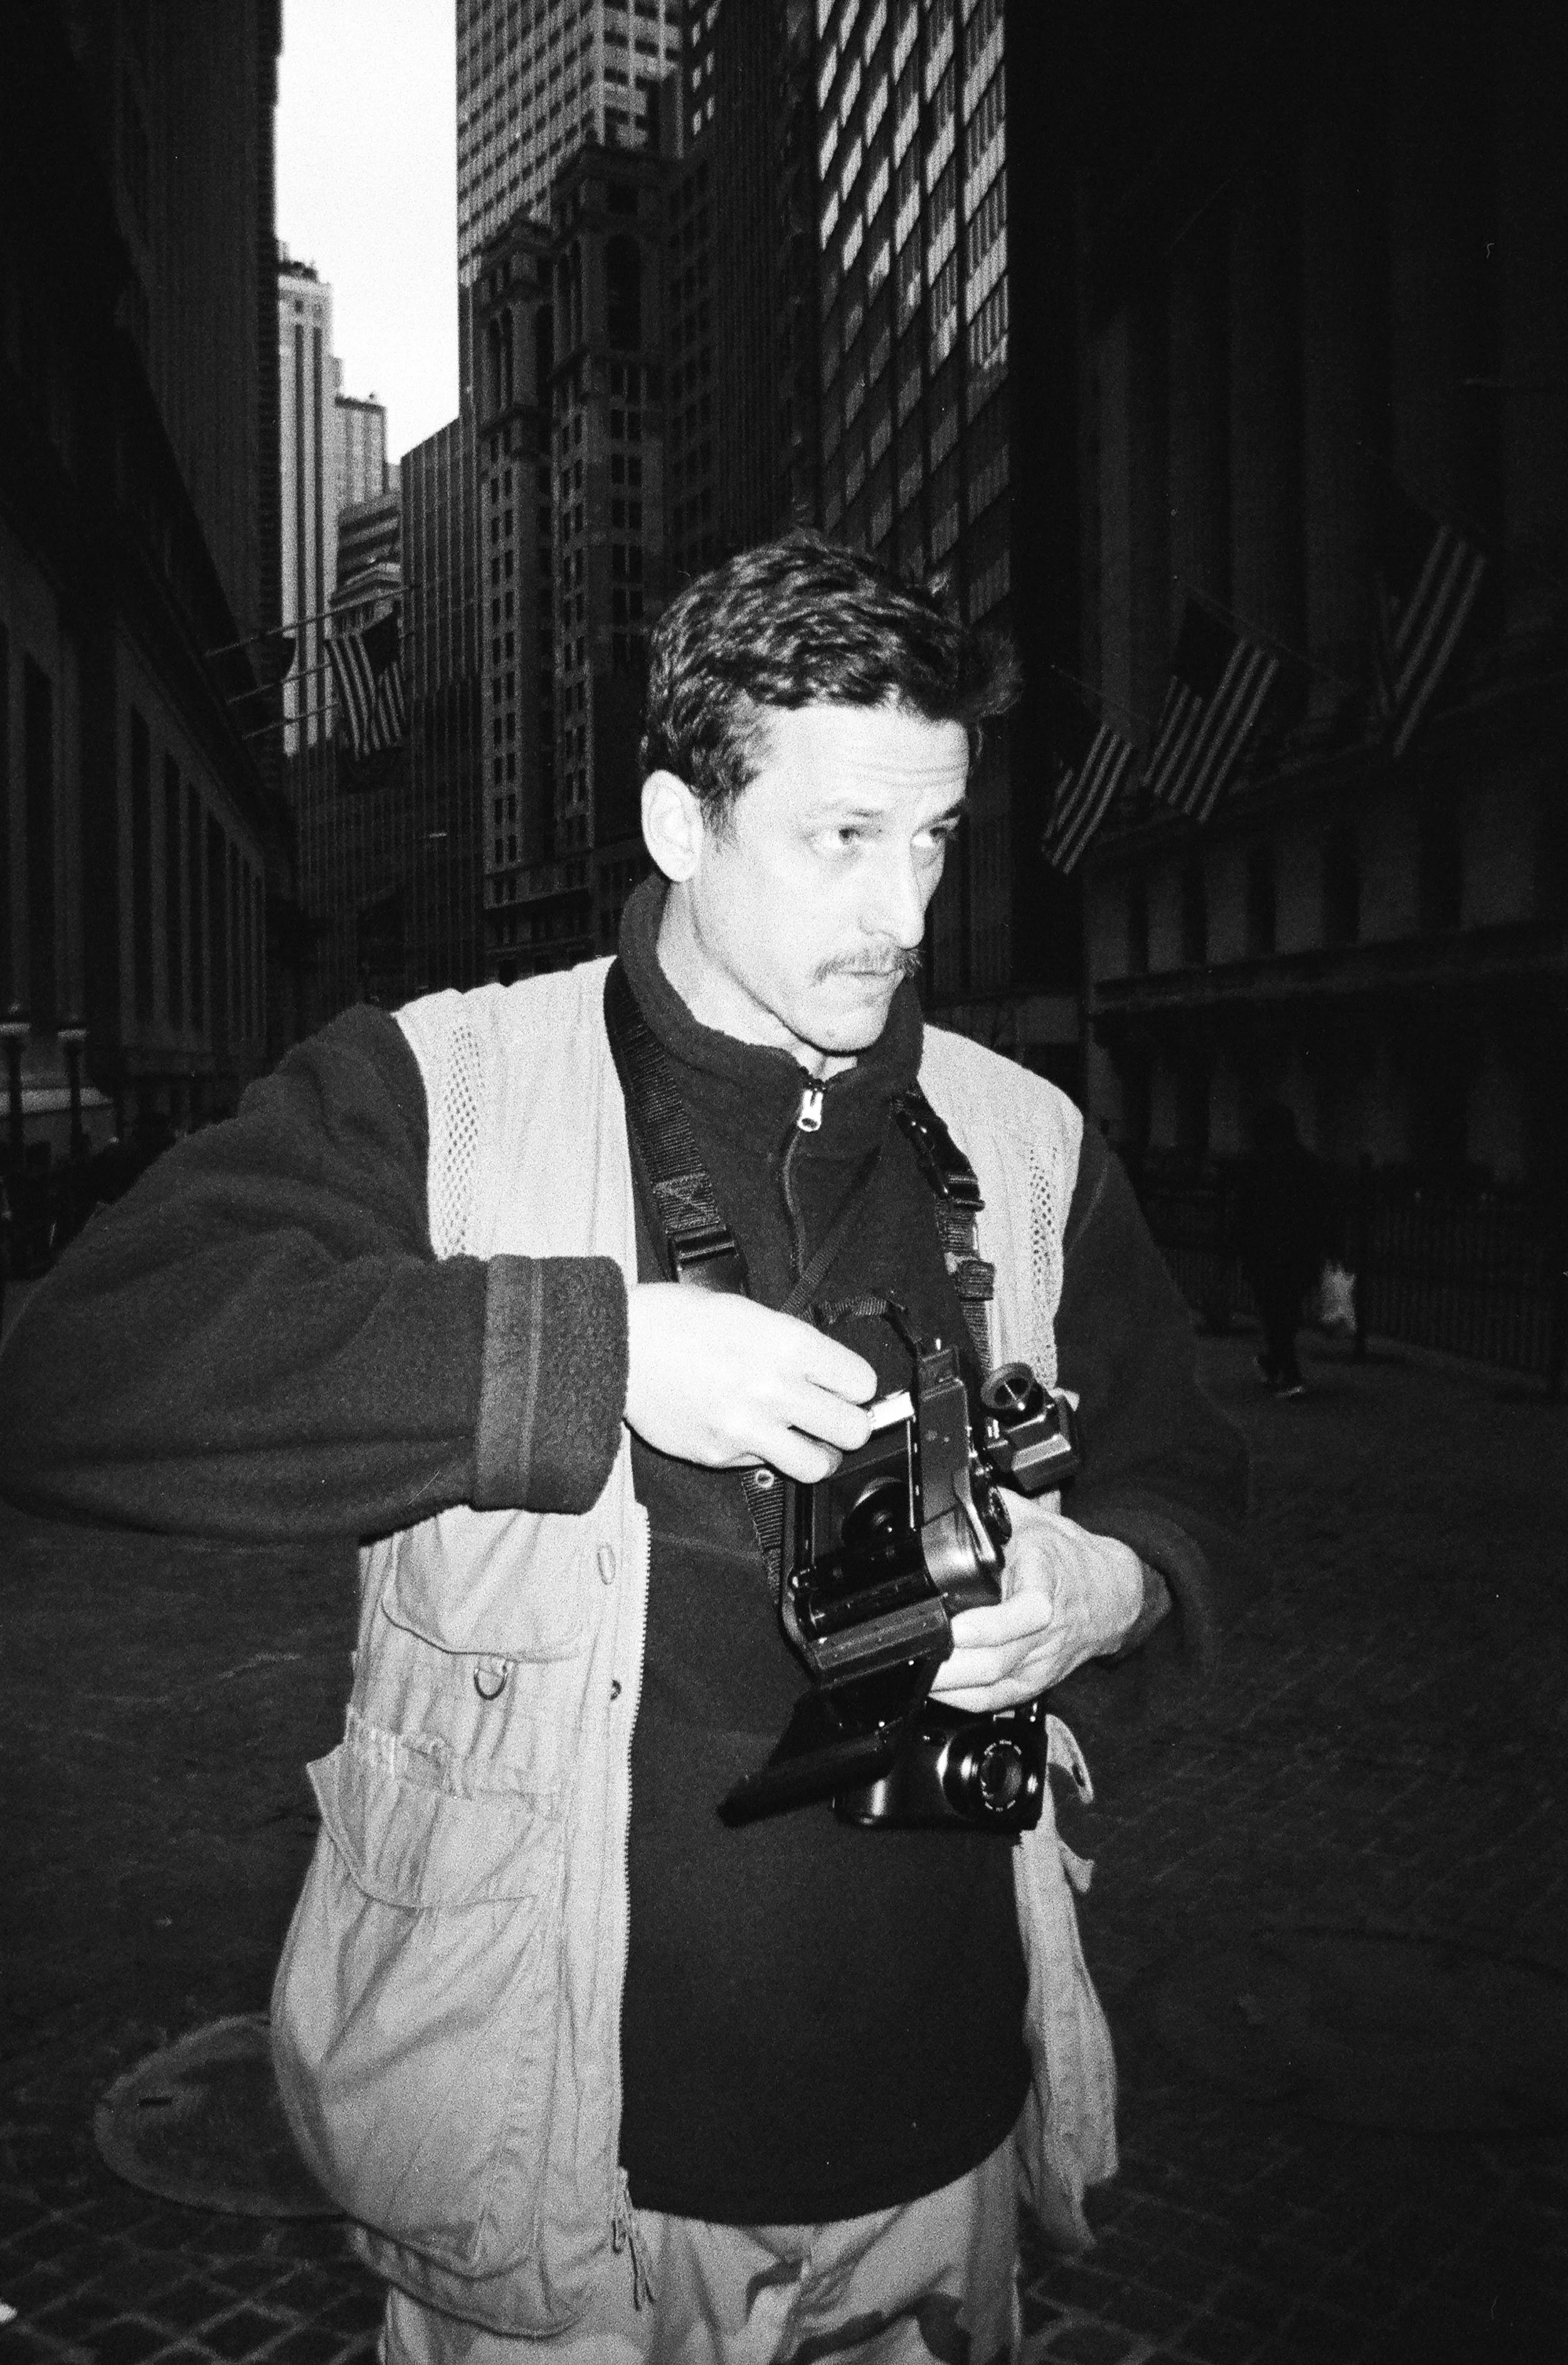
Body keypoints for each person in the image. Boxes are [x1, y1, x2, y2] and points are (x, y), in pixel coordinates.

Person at [0, 536, 1246, 2365]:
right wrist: (582, 1351)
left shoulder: (1025, 1133)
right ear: (676, 819)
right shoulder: (439, 1086)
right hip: (558, 2193)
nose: (899, 907)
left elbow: (1184, 1479)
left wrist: (1103, 1585)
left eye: (931, 837)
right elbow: (80, 1375)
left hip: (943, 2144)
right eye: (837, 838)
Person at [1231, 1102, 1337, 1398]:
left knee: (1273, 1311)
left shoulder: (1254, 1165)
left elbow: (1244, 1211)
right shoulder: (1307, 1163)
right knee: (1288, 1309)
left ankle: (1288, 1372)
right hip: (1301, 1250)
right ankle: (1277, 1364)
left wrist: (1236, 1247)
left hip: (1265, 1250)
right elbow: (1323, 1207)